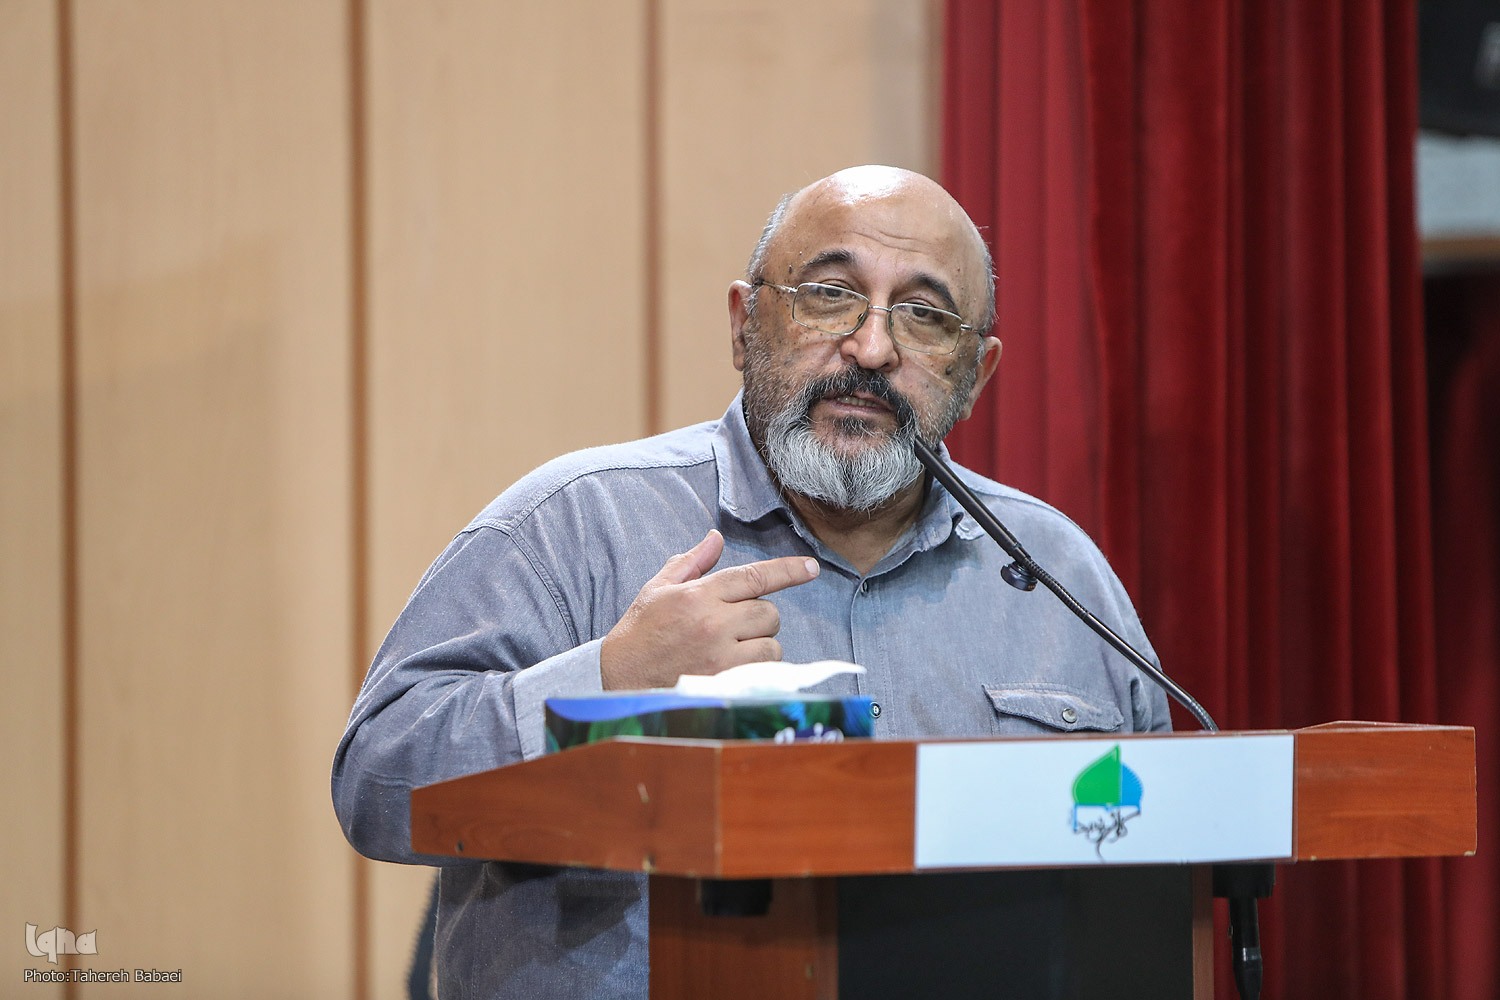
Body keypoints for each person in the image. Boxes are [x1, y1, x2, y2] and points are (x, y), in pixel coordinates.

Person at [332, 165, 1169, 999]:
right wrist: (608, 683)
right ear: (744, 327)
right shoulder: (576, 524)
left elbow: (1158, 860)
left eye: (924, 315)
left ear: (975, 375)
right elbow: (377, 783)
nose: (872, 348)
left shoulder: (1058, 577)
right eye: (830, 295)